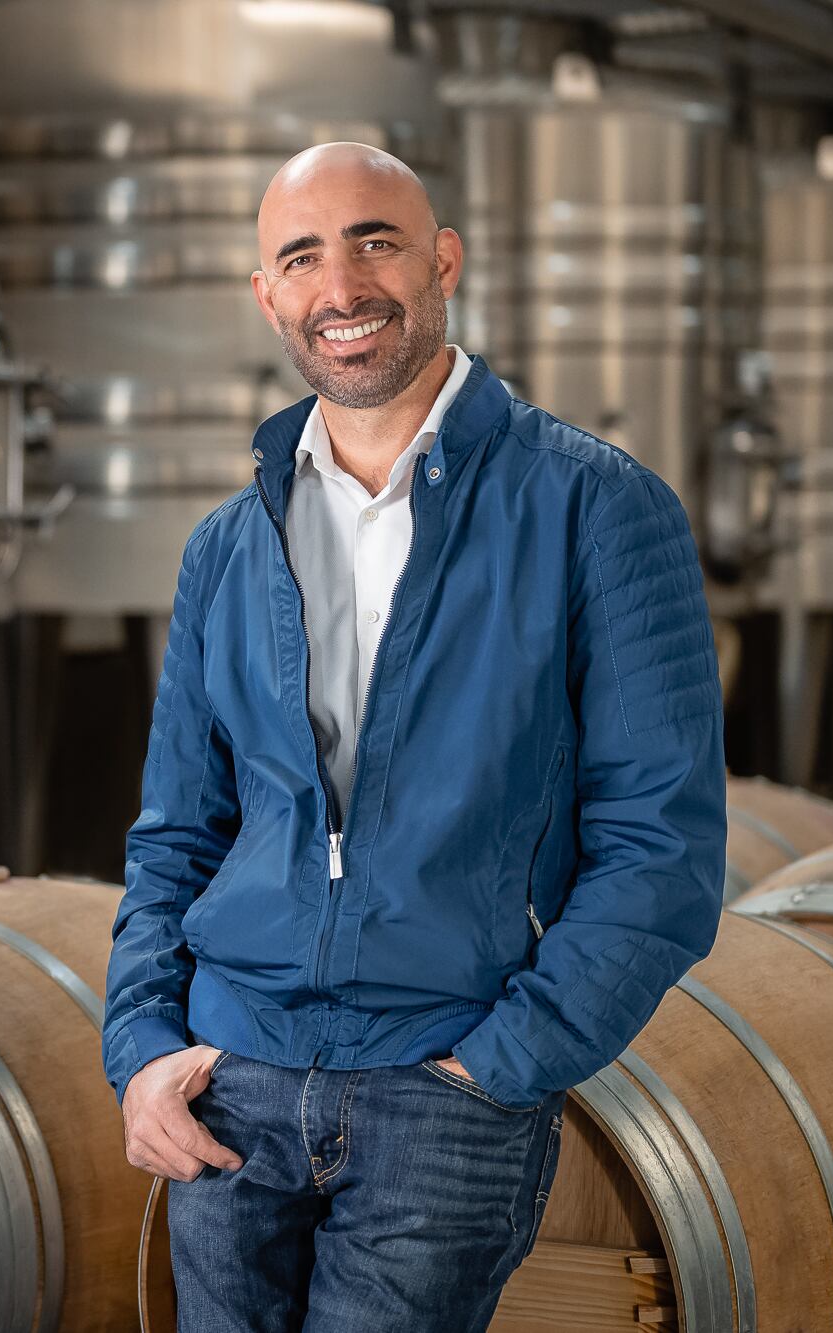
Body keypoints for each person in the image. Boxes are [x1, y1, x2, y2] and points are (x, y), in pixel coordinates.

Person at [100, 141, 725, 1332]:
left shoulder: (595, 508)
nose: (341, 285)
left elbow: (664, 845)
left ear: (442, 260)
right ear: (269, 296)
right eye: (302, 256)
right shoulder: (227, 547)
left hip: (441, 1092)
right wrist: (140, 1045)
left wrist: (499, 1063)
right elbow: (178, 829)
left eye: (374, 241)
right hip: (229, 1086)